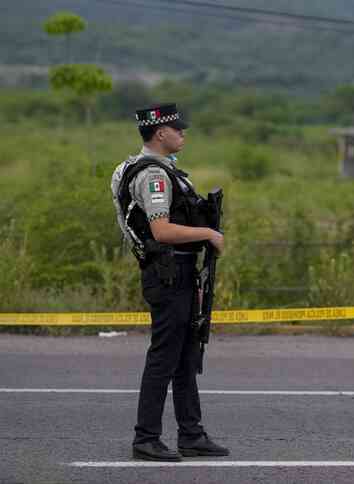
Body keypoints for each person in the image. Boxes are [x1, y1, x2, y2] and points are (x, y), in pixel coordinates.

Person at [110, 103, 228, 461]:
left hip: (178, 272)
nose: (183, 134)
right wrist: (207, 231)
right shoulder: (154, 175)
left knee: (185, 355)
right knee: (164, 357)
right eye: (178, 129)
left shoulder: (141, 168)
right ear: (161, 133)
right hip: (169, 272)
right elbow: (161, 230)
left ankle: (191, 434)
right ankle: (146, 438)